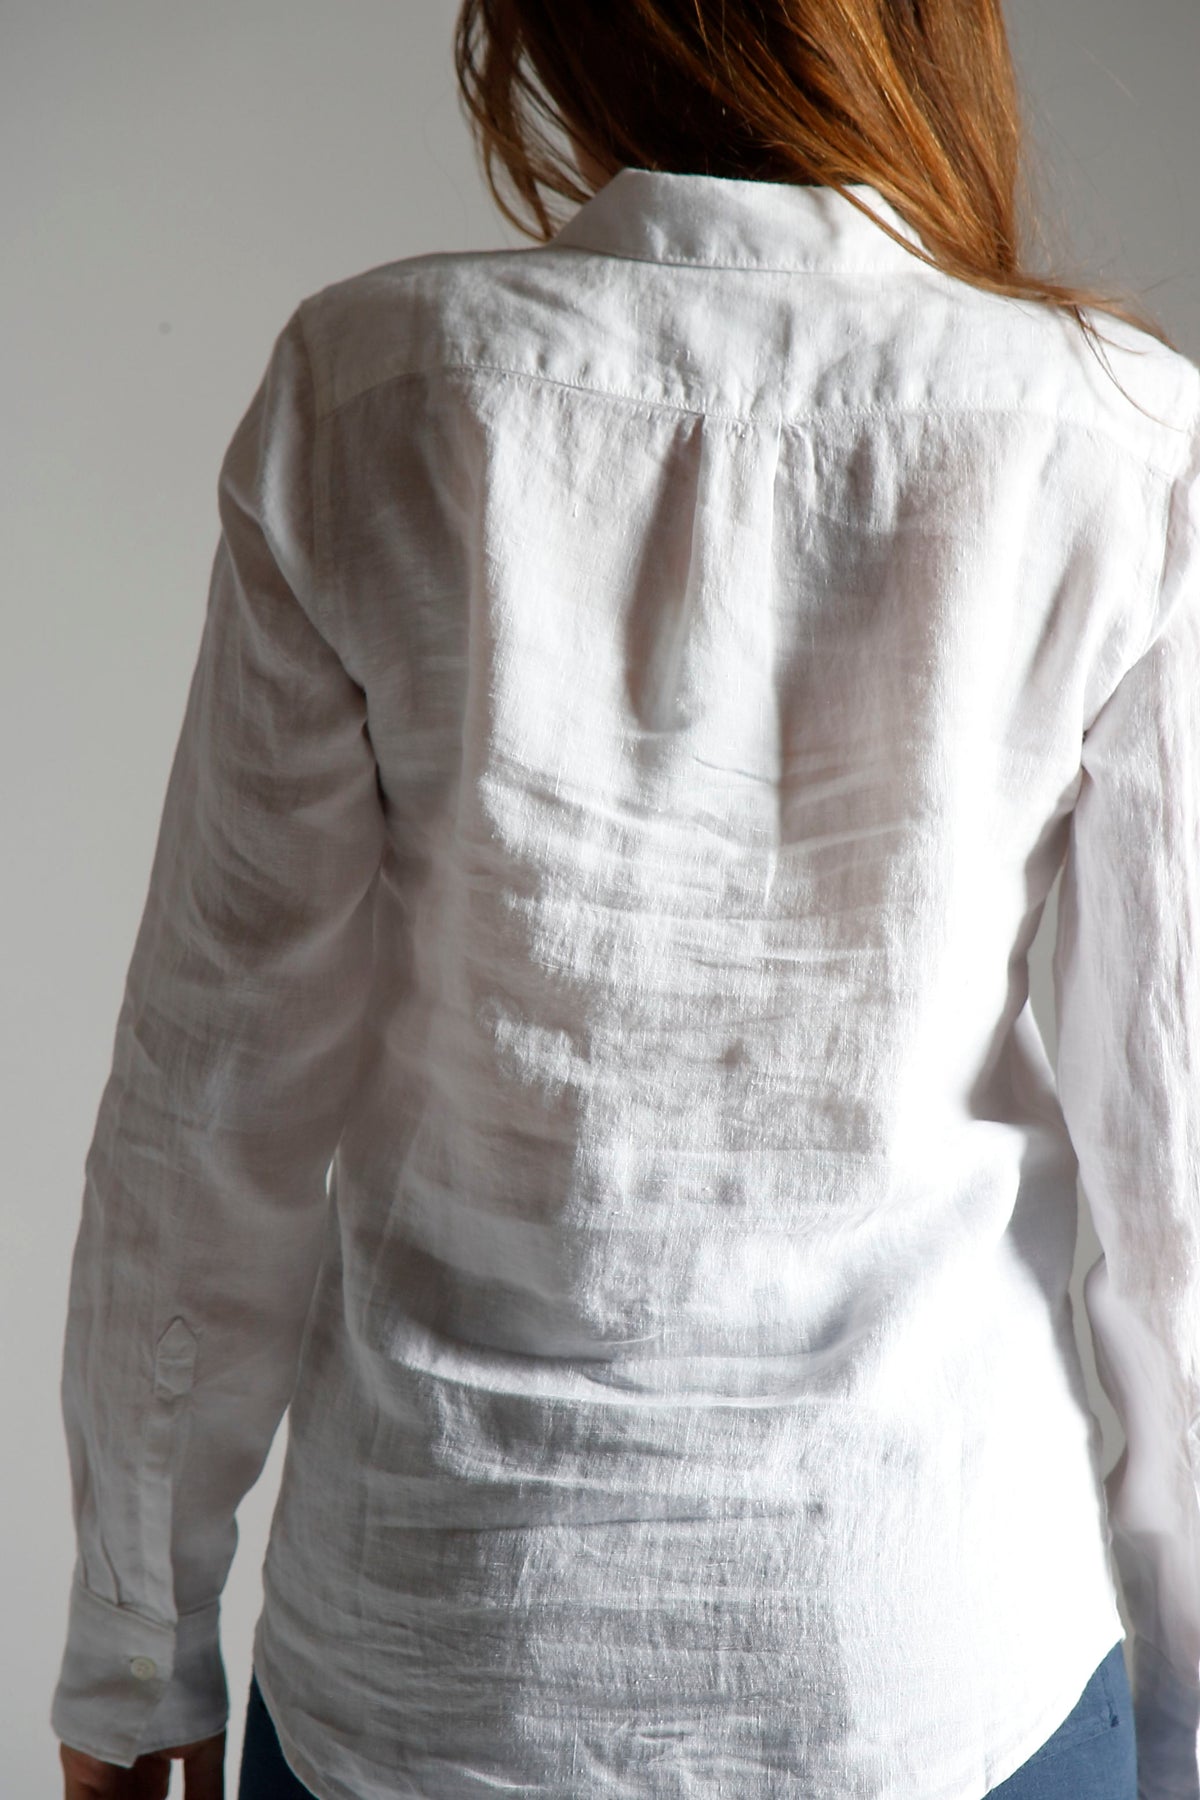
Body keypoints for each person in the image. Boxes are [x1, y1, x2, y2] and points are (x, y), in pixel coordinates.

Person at [51, 0, 1200, 1796]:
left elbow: (208, 1102)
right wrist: (1187, 1697)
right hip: (932, 1652)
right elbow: (1174, 1148)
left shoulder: (372, 397)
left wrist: (135, 1655)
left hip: (436, 1664)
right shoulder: (1115, 442)